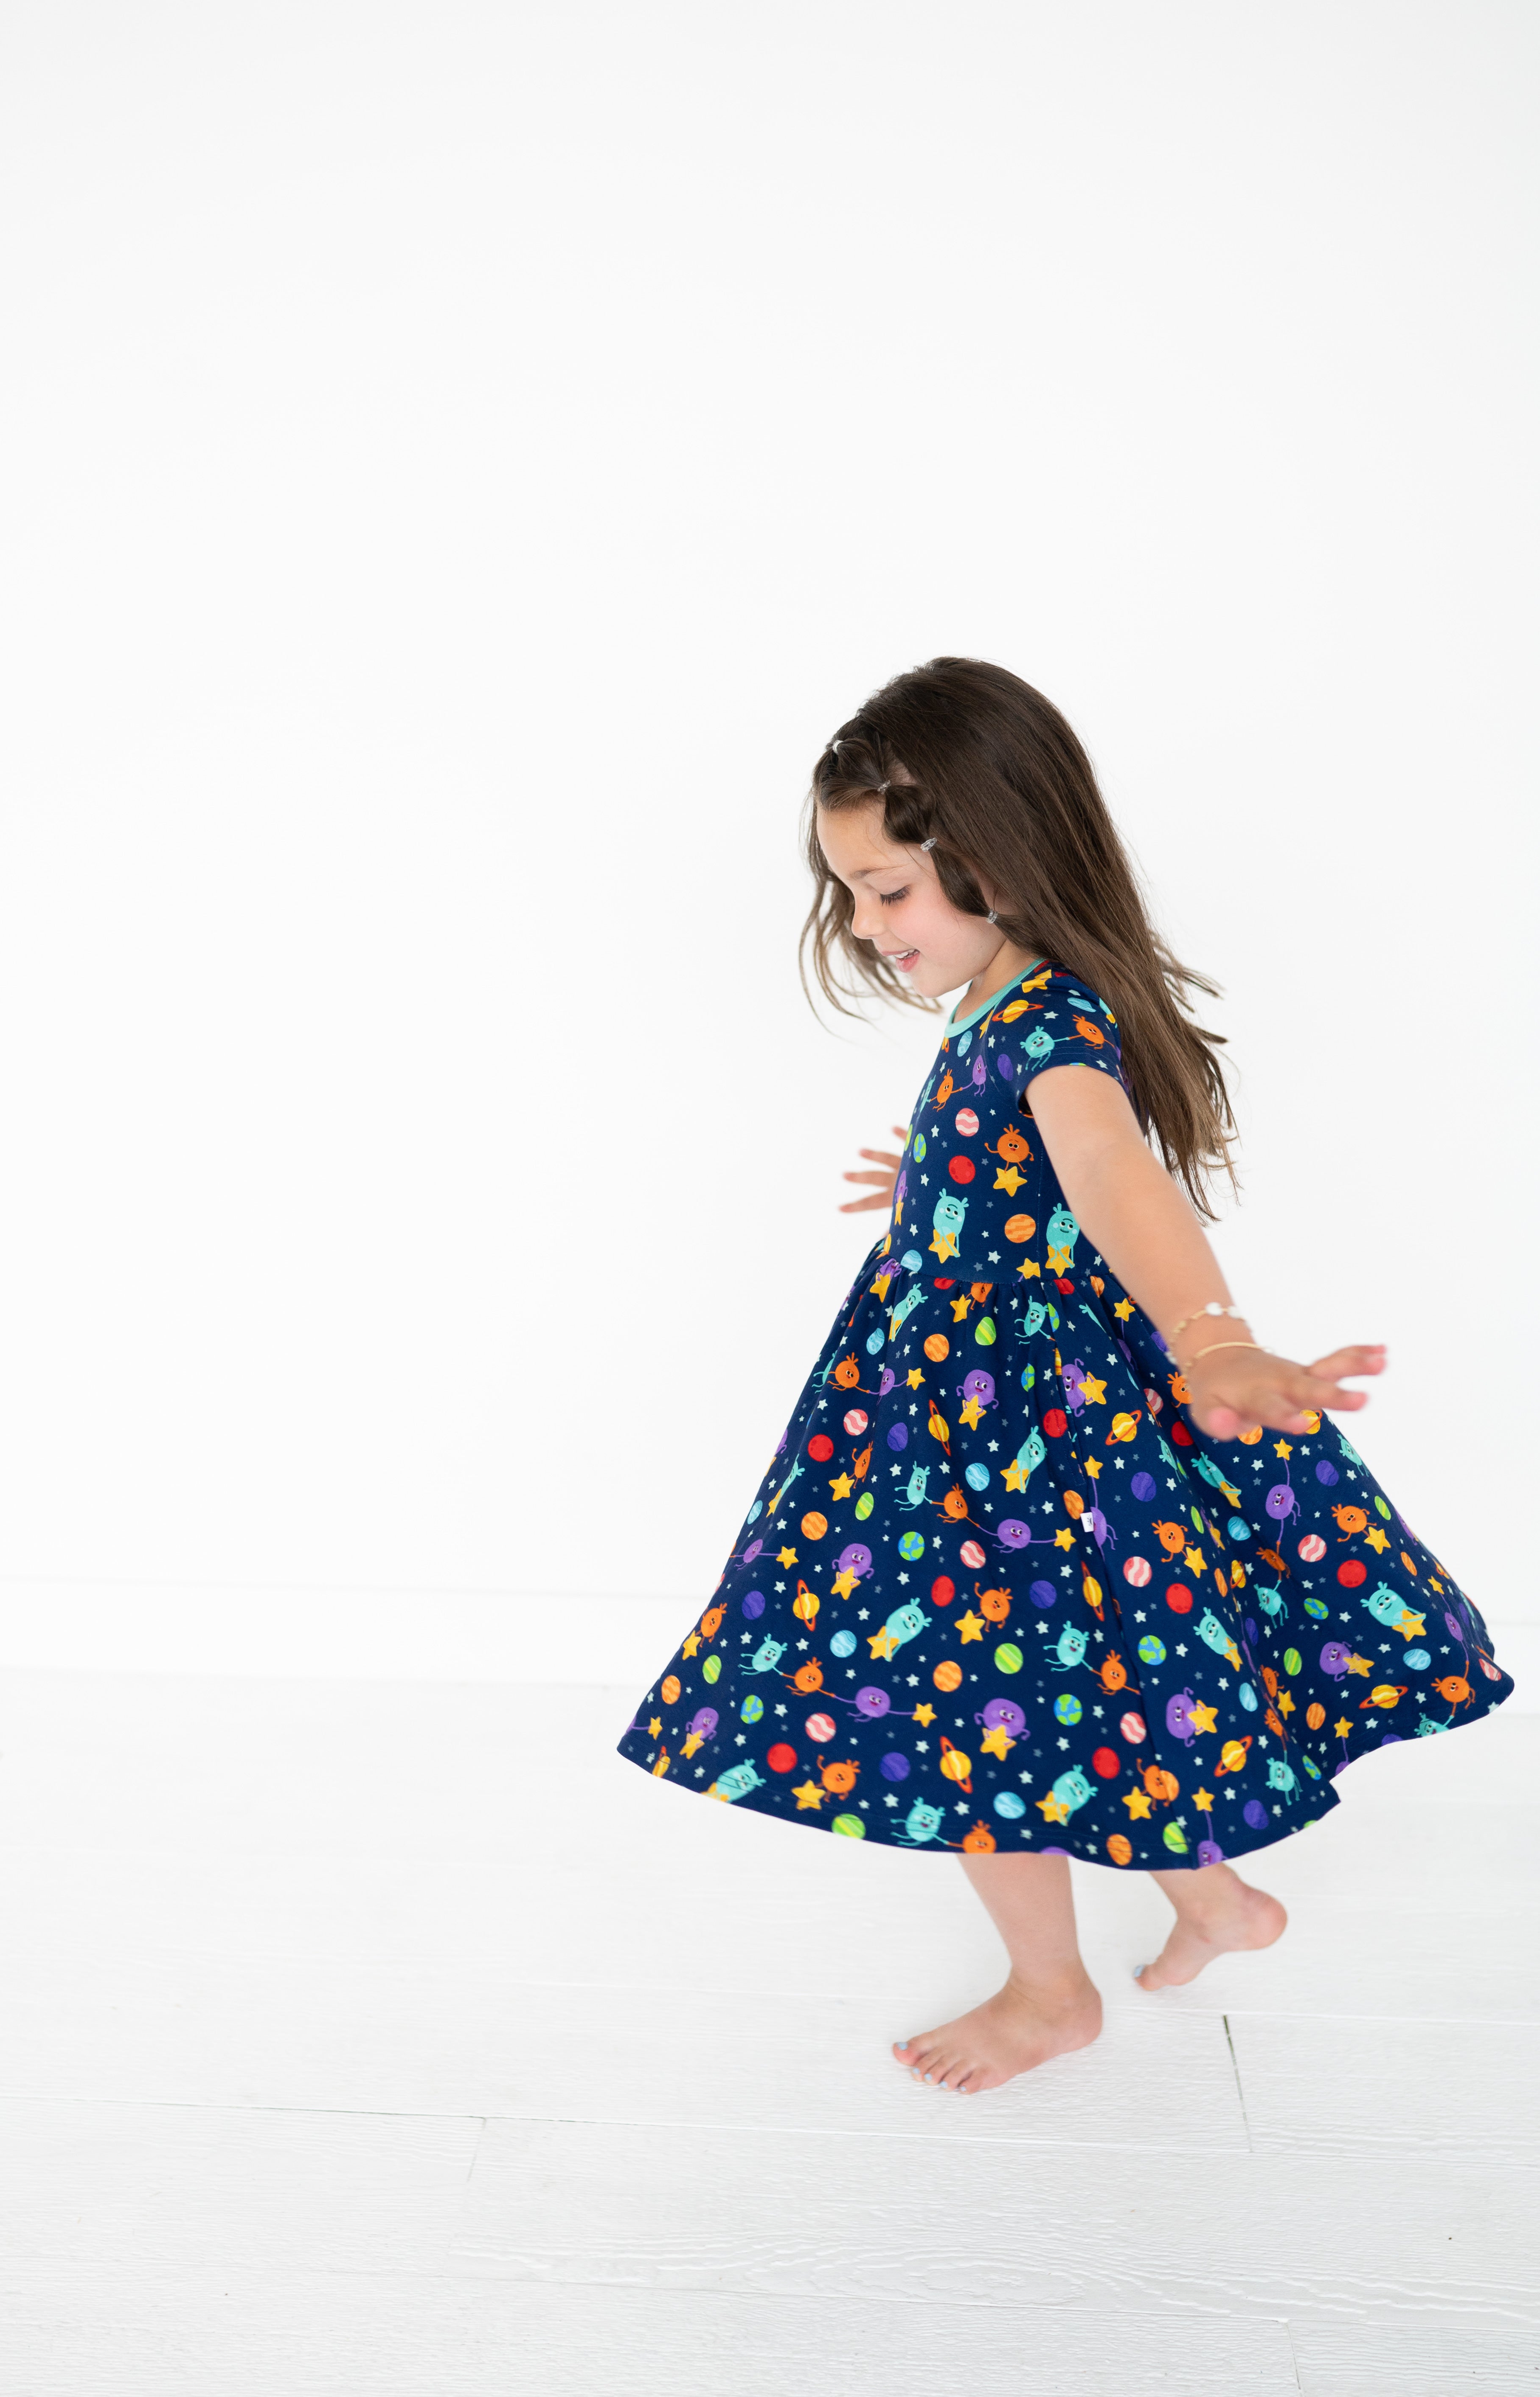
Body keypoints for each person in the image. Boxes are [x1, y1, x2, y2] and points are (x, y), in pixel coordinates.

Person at [615, 655, 1514, 2096]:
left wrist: (1210, 1333)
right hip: (968, 1422)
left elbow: (1110, 1174)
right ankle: (1215, 1903)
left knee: (961, 1702)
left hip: (1002, 1442)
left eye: (891, 889)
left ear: (998, 865)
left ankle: (1051, 1993)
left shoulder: (1050, 1032)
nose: (865, 924)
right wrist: (948, 1178)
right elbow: (1046, 1170)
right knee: (1073, 1687)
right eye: (849, 889)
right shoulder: (1010, 1008)